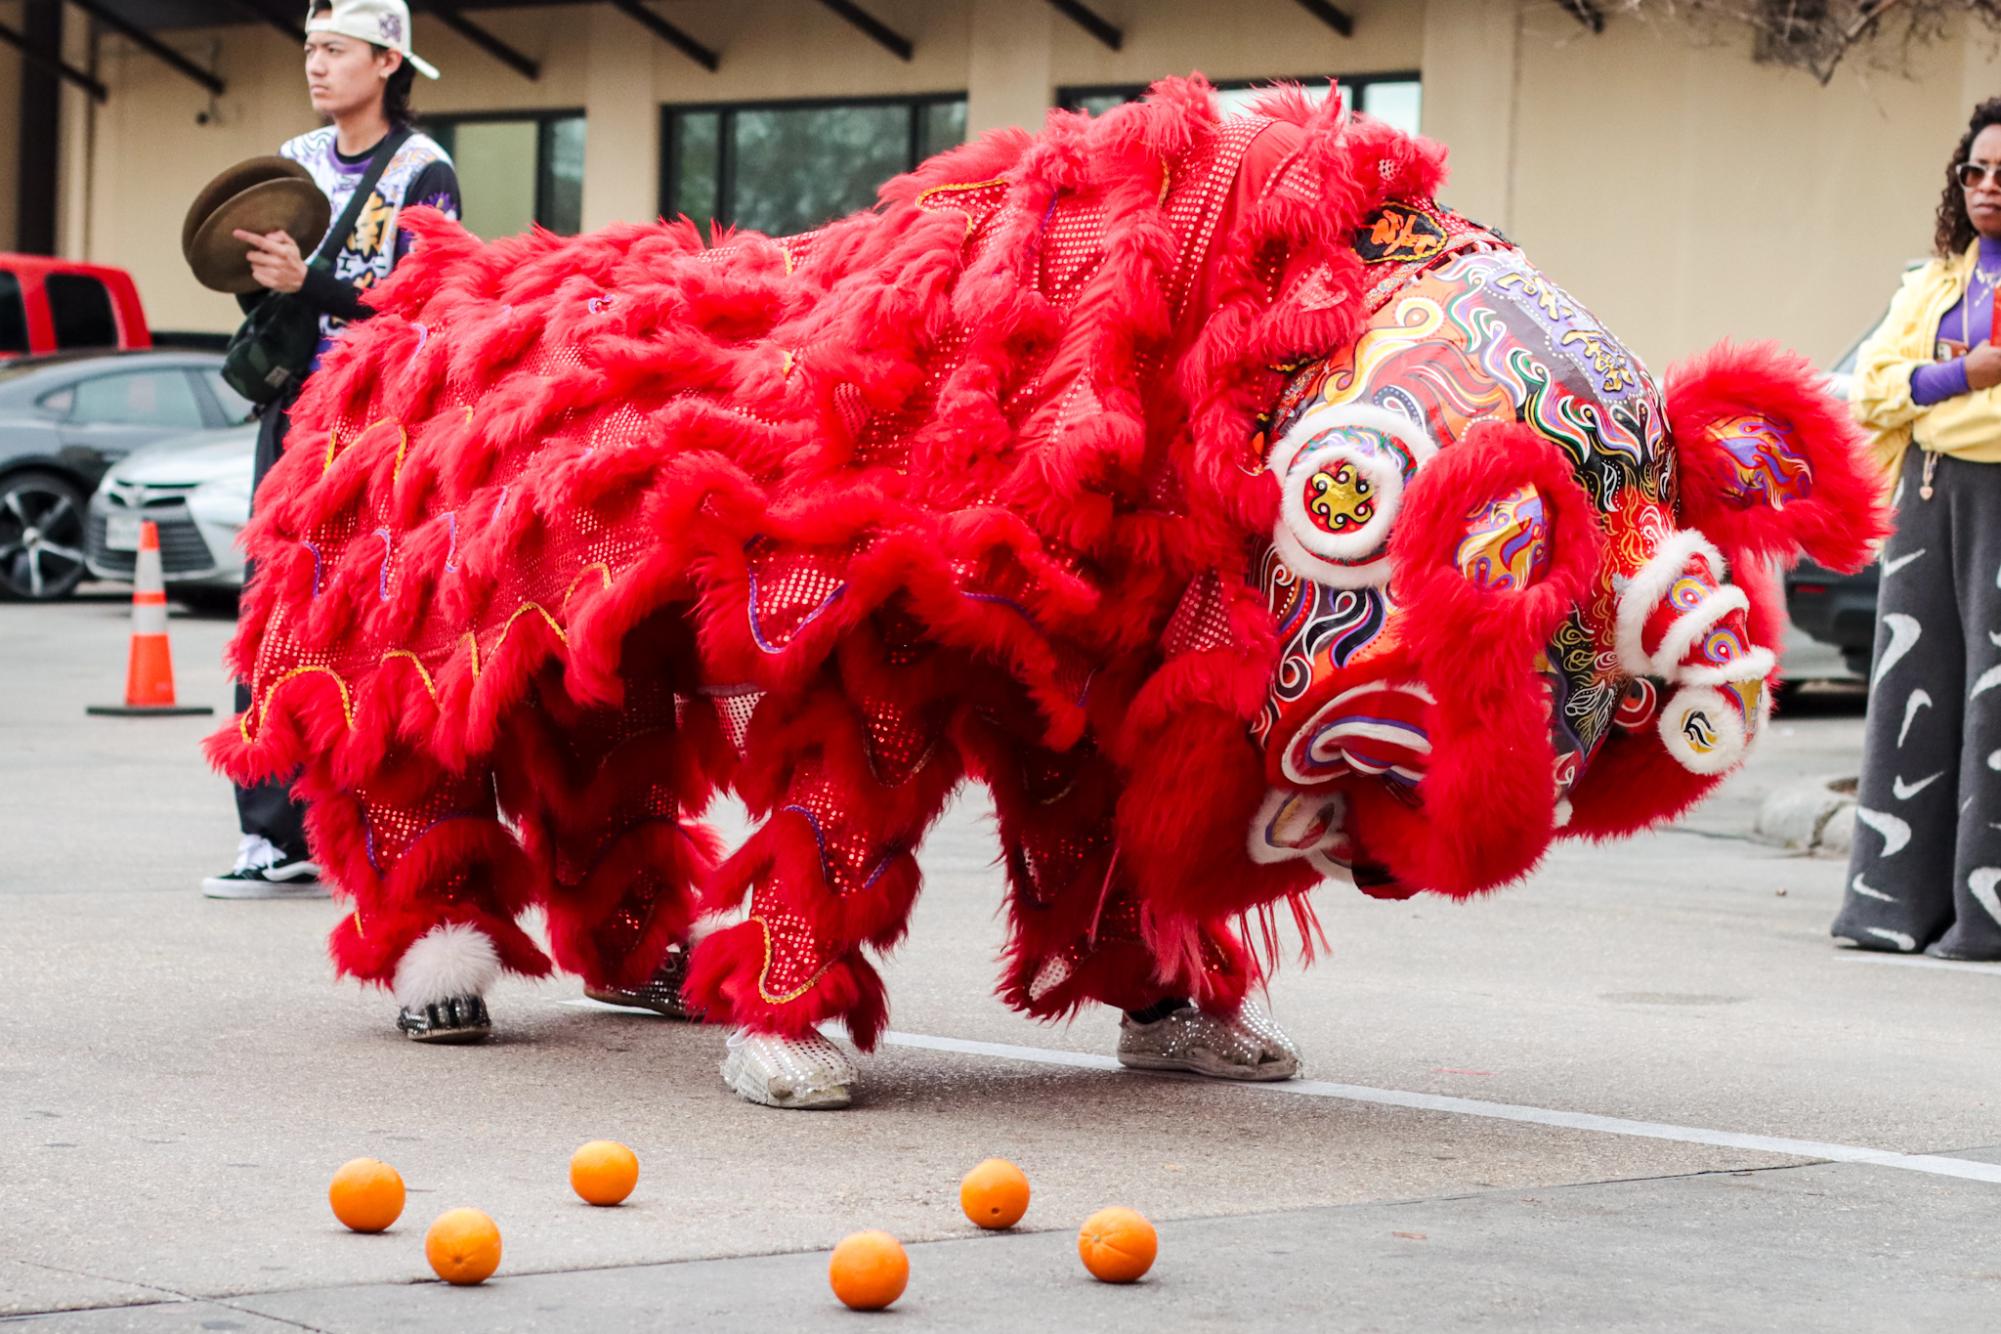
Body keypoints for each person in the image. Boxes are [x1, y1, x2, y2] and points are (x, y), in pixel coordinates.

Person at [213, 77, 1877, 1109]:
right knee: (920, 621)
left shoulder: (1308, 352)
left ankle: (1154, 974)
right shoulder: (1080, 341)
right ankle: (636, 936)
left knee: (1088, 681)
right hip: (993, 403)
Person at [202, 0, 459, 899]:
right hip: (294, 408)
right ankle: (271, 834)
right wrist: (268, 285)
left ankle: (374, 812)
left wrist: (306, 280)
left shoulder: (425, 170)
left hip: (375, 416)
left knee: (372, 611)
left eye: (336, 50)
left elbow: (423, 306)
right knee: (270, 608)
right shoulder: (295, 161)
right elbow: (266, 300)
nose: (316, 66)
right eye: (310, 49)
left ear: (387, 62)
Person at [1833, 97, 2001, 961]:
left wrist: (1936, 390)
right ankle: (1890, 905)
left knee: (1994, 711)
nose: (1986, 187)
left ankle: (1986, 918)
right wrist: (1964, 373)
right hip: (1927, 499)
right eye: (1974, 171)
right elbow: (1872, 386)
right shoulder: (1934, 281)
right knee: (1913, 698)